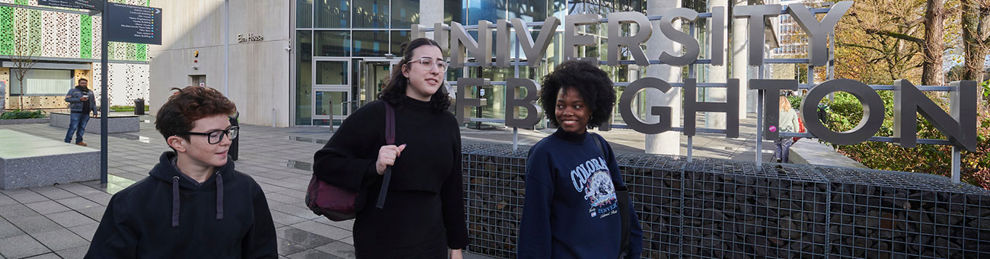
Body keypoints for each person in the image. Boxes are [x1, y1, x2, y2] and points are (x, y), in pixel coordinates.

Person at [312, 38, 467, 258]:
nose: (435, 70)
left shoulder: (447, 123)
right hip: (382, 241)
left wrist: (456, 245)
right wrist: (373, 167)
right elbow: (324, 163)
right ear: (405, 70)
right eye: (425, 62)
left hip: (432, 241)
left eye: (440, 64)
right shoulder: (376, 114)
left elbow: (452, 188)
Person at [85, 86, 277, 258]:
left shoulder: (247, 190)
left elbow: (263, 252)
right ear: (178, 143)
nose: (227, 141)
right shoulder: (132, 202)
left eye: (229, 131)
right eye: (214, 135)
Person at [518, 60, 643, 259]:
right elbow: (535, 224)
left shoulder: (598, 145)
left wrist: (635, 246)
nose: (567, 112)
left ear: (592, 109)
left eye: (577, 106)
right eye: (561, 105)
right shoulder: (544, 154)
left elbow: (622, 202)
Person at [64, 78, 97, 146]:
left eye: (85, 83)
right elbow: (67, 99)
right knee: (73, 127)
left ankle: (79, 141)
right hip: (76, 112)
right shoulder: (73, 90)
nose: (84, 84)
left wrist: (95, 111)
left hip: (86, 113)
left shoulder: (90, 92)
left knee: (82, 128)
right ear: (79, 83)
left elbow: (93, 102)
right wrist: (79, 99)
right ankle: (67, 141)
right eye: (82, 83)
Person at [776, 92, 800, 163]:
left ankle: (778, 158)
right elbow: (795, 122)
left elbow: (772, 122)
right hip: (788, 132)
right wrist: (796, 132)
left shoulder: (776, 111)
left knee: (777, 145)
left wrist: (772, 130)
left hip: (777, 131)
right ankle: (784, 162)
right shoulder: (792, 111)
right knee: (786, 147)